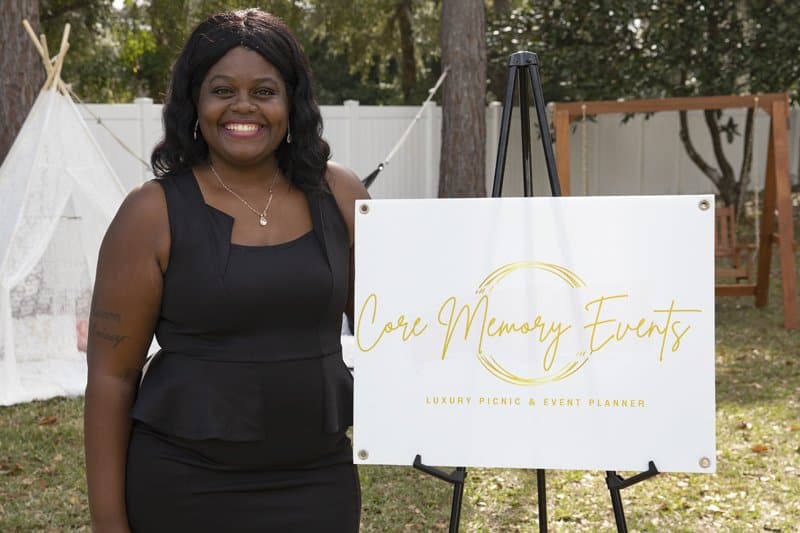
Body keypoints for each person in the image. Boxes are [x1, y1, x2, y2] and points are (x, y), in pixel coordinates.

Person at [84, 9, 368, 532]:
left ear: (291, 102)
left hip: (317, 483)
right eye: (222, 90)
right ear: (195, 102)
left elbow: (403, 332)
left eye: (264, 91)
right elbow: (111, 377)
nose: (243, 107)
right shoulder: (150, 214)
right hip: (184, 486)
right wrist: (108, 524)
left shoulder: (342, 195)